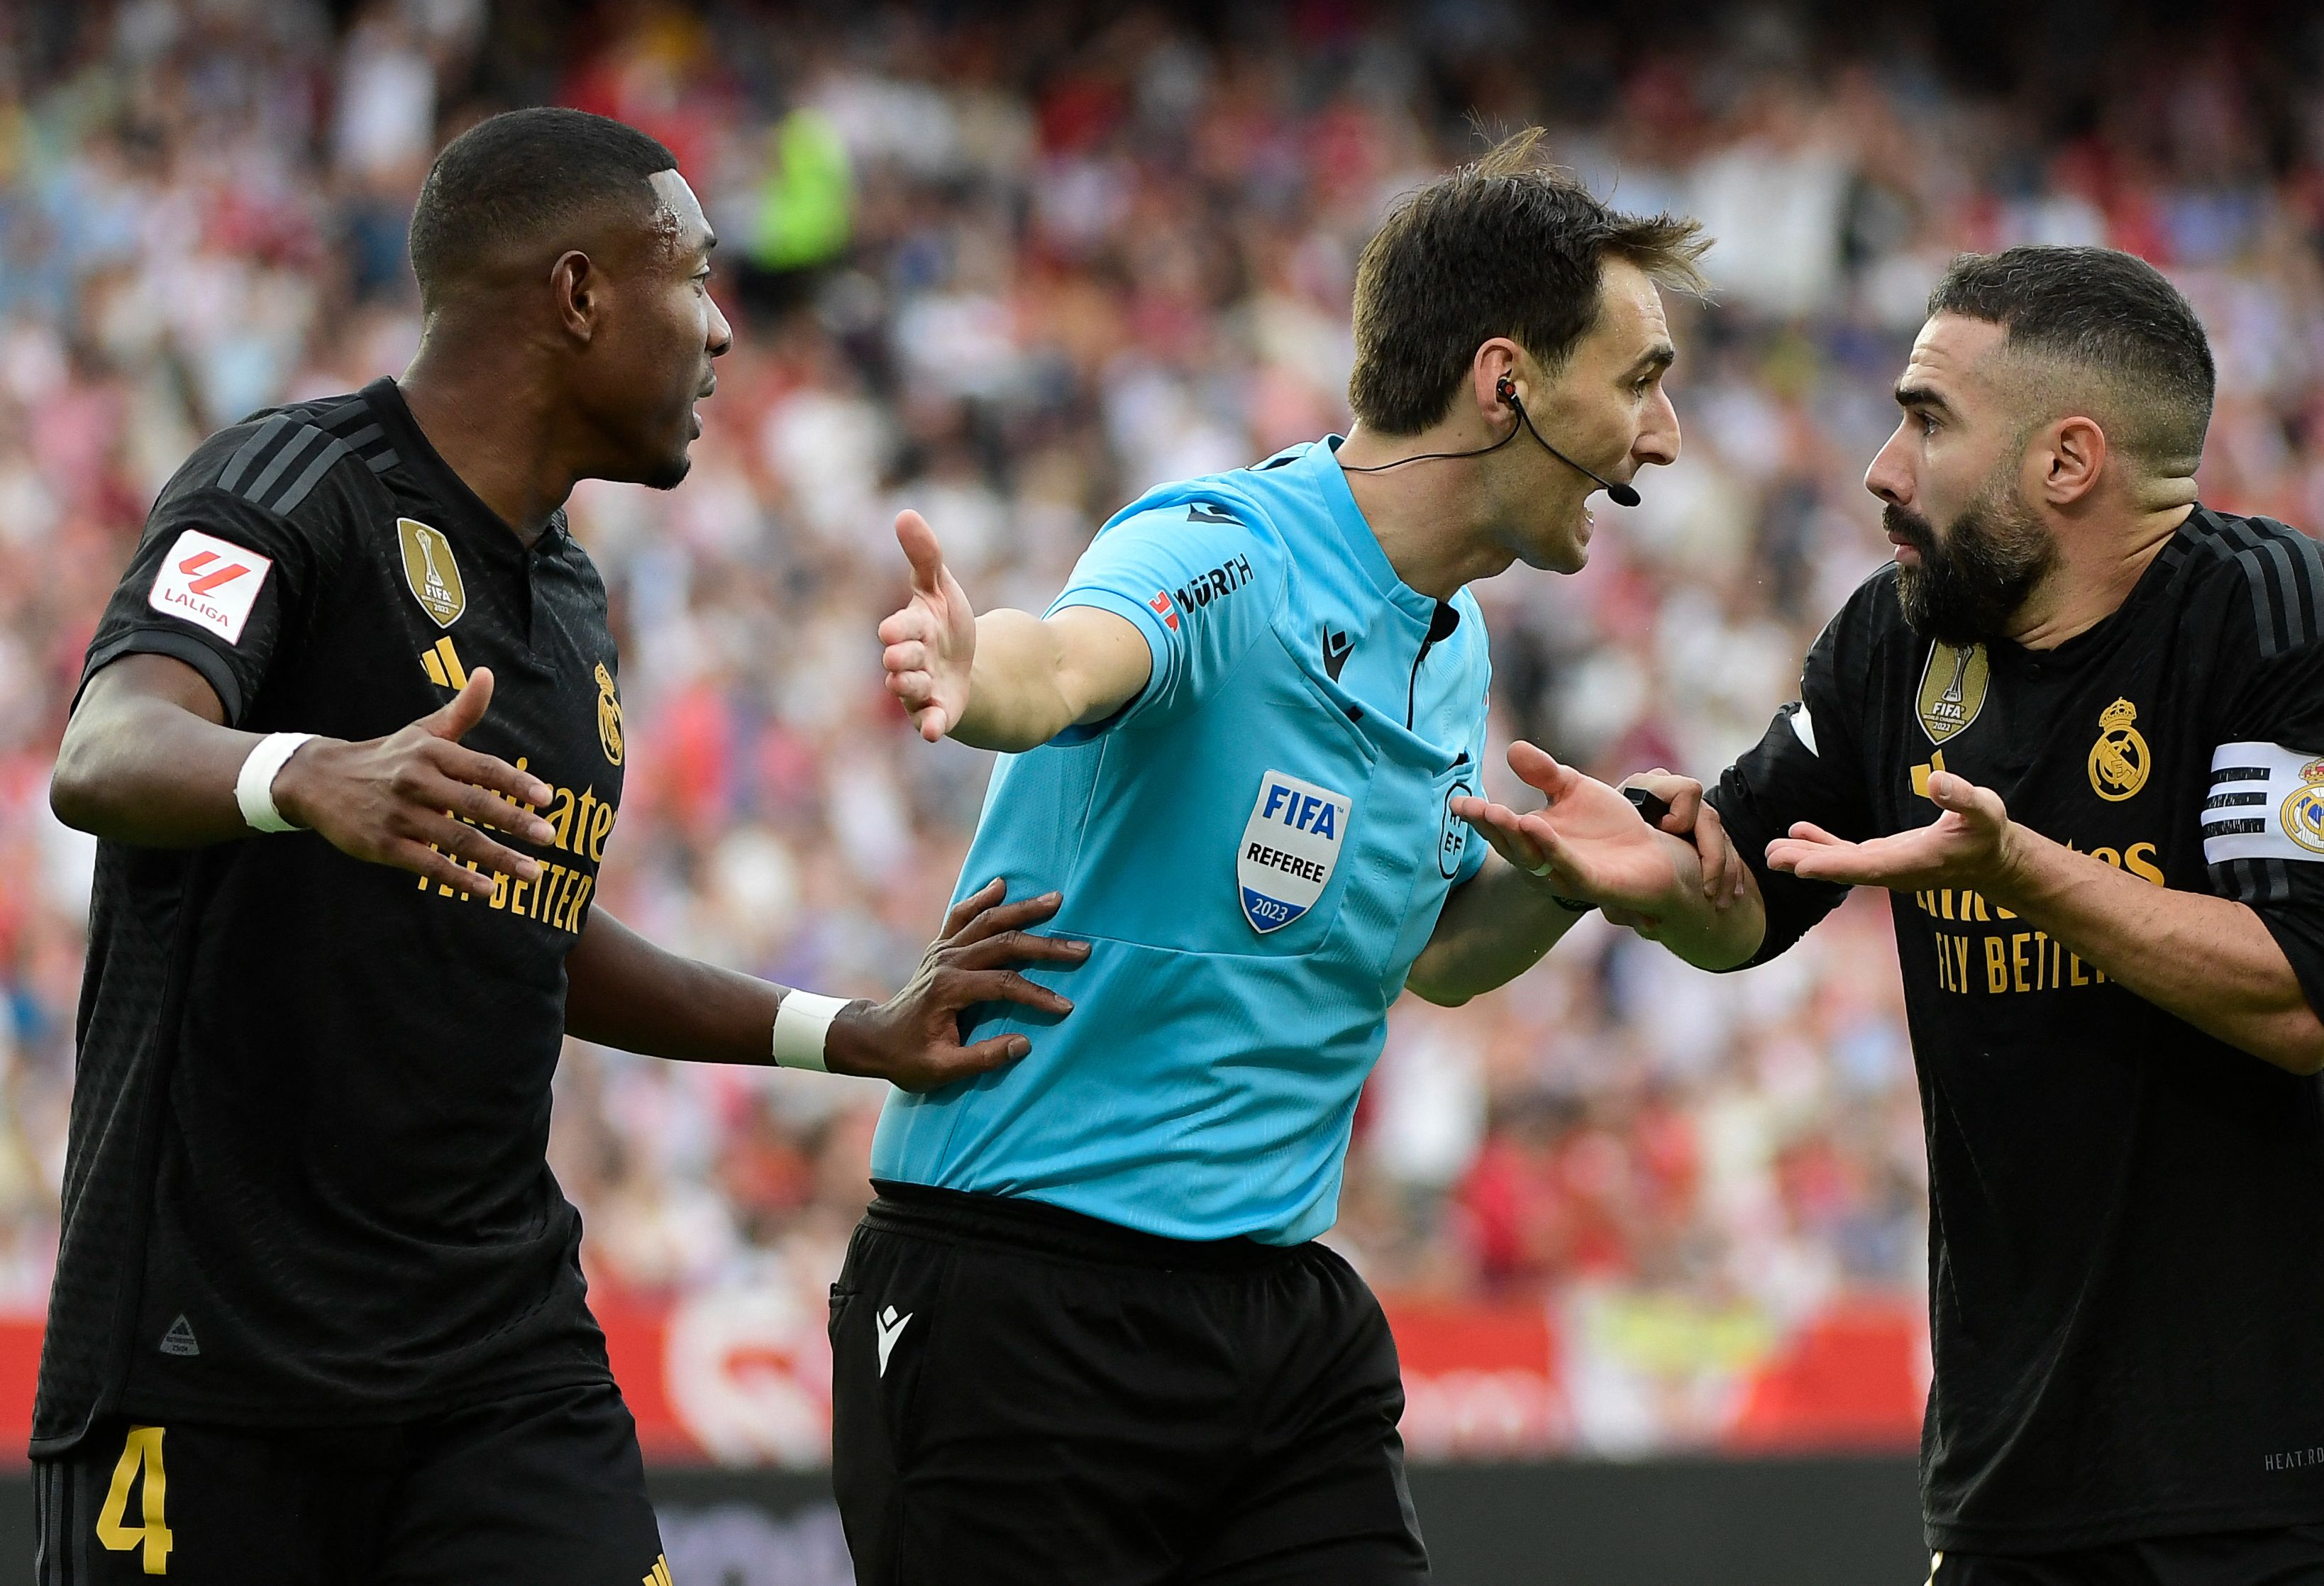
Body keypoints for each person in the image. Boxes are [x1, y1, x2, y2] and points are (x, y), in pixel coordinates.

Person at [33, 108, 1081, 1586]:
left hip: (495, 1360)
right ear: (580, 293)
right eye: (695, 278)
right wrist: (304, 773)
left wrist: (848, 1031)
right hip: (216, 1359)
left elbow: (537, 930)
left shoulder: (570, 600)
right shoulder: (290, 483)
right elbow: (108, 744)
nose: (723, 331)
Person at [1457, 245, 2324, 1584]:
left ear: (2069, 461)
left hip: (2283, 1481)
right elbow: (1749, 889)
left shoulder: (2286, 624)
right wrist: (1659, 886)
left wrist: (2019, 867)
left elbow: (2297, 994)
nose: (1882, 465)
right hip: (2008, 1480)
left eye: (1926, 419)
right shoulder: (1898, 642)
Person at [847, 130, 1717, 1584]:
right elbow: (1065, 662)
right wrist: (967, 666)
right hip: (1022, 1294)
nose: (1665, 433)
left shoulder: (1452, 638)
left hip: (1275, 1320)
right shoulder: (1226, 549)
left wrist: (1563, 881)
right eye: (1638, 379)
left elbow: (1429, 953)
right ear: (1504, 381)